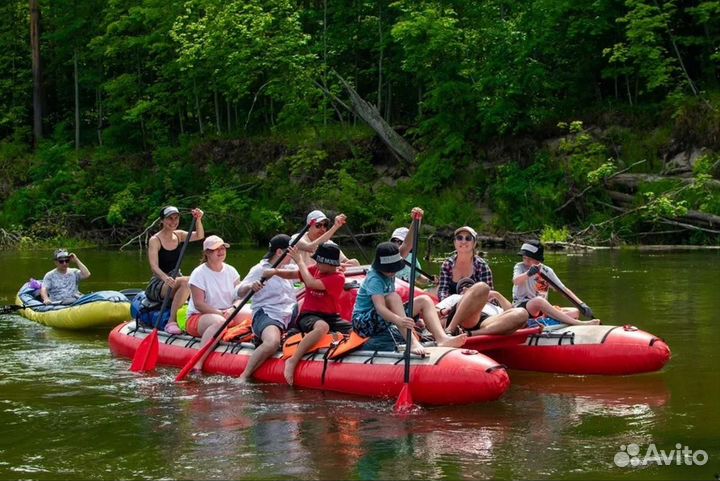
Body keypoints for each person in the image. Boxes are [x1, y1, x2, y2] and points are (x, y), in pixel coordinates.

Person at [352, 242, 466, 355]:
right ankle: (412, 343)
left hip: (381, 317)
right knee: (393, 297)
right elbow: (380, 308)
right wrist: (398, 320)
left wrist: (402, 319)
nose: (392, 271)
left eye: (394, 268)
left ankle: (442, 338)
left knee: (424, 300)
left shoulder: (389, 274)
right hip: (363, 324)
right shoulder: (375, 279)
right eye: (389, 269)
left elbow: (406, 245)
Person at [282, 242, 352, 385]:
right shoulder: (316, 269)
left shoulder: (338, 277)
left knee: (356, 330)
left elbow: (311, 283)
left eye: (319, 261)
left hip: (332, 317)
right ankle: (293, 360)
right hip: (309, 315)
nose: (316, 263)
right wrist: (274, 272)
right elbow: (294, 274)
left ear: (330, 264)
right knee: (322, 327)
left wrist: (300, 261)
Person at [439, 226, 528, 335]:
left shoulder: (481, 266)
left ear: (474, 243)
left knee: (522, 313)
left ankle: (472, 334)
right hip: (460, 314)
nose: (463, 241)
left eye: (468, 238)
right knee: (482, 287)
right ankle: (450, 330)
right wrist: (452, 305)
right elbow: (442, 293)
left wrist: (493, 294)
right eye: (459, 238)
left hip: (485, 317)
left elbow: (503, 305)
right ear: (454, 242)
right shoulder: (453, 296)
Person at [236, 234, 299, 383]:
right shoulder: (259, 269)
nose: (293, 255)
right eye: (290, 251)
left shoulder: (289, 268)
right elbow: (237, 292)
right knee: (272, 343)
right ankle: (244, 375)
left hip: (290, 313)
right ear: (279, 252)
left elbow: (311, 274)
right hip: (268, 314)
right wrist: (250, 286)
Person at [185, 235, 242, 372]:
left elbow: (240, 296)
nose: (221, 251)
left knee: (252, 312)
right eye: (216, 249)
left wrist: (233, 308)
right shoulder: (199, 273)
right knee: (220, 321)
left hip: (228, 311)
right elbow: (199, 304)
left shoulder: (231, 271)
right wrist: (220, 313)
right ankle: (199, 361)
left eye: (222, 248)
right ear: (207, 253)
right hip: (200, 316)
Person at [145, 205, 205, 334]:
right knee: (186, 281)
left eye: (176, 218)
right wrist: (165, 278)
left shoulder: (179, 235)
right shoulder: (155, 240)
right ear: (162, 221)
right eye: (169, 219)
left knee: (192, 281)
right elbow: (154, 267)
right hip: (159, 283)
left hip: (176, 278)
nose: (173, 222)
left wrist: (198, 219)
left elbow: (199, 235)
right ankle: (171, 321)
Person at [512, 240, 601, 326]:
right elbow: (516, 281)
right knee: (538, 301)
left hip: (541, 309)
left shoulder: (547, 271)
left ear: (538, 260)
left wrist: (581, 304)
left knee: (575, 311)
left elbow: (563, 289)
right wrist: (528, 273)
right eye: (524, 258)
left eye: (529, 259)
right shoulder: (520, 267)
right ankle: (580, 323)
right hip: (523, 307)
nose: (526, 261)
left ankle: (544, 320)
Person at [295, 210, 360, 268]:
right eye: (318, 225)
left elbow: (345, 262)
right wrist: (335, 226)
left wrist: (351, 264)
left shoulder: (330, 244)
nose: (322, 229)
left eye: (325, 225)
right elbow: (311, 248)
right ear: (308, 226)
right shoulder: (296, 238)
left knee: (354, 262)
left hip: (322, 279)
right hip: (300, 279)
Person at [390, 207, 435, 287]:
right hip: (394, 291)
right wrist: (416, 220)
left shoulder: (412, 258)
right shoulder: (388, 257)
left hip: (406, 292)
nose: (396, 244)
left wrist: (430, 280)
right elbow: (406, 245)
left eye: (400, 242)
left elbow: (418, 277)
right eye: (394, 241)